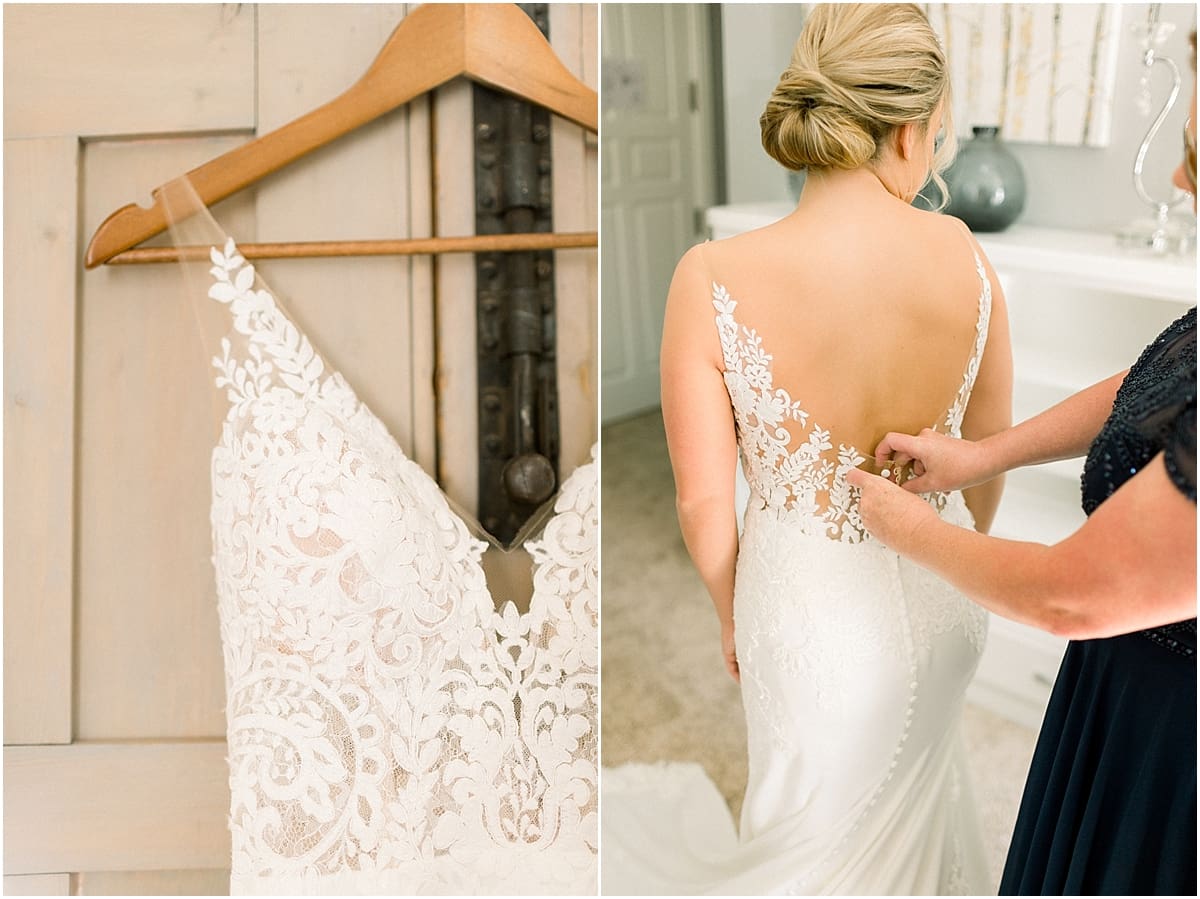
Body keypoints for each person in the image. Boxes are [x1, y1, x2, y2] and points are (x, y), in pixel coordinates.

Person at [601, 5, 1013, 893]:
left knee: (806, 844)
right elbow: (986, 458)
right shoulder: (965, 253)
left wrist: (731, 610)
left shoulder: (711, 276)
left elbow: (702, 503)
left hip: (806, 623)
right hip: (947, 606)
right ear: (907, 131)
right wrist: (958, 545)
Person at [849, 30, 1197, 896]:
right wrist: (981, 455)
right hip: (1123, 689)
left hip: (1173, 746)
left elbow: (1067, 593)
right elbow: (1161, 377)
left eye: (1194, 154)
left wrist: (910, 531)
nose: (1180, 177)